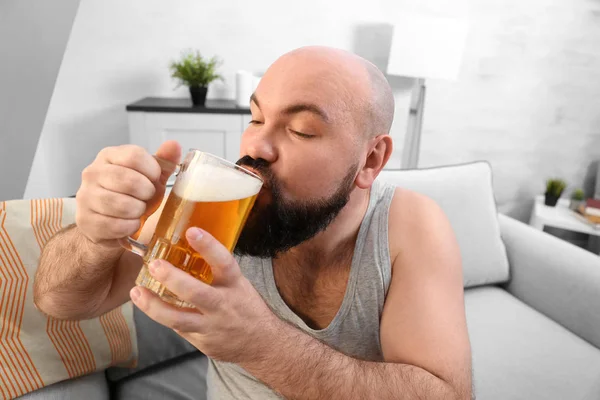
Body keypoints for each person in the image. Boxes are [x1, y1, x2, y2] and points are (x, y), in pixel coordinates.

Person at [34, 46, 472, 399]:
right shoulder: (220, 205)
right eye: (256, 118)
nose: (257, 146)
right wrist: (97, 236)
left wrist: (261, 345)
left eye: (301, 129)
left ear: (371, 159)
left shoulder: (409, 227)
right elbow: (59, 302)